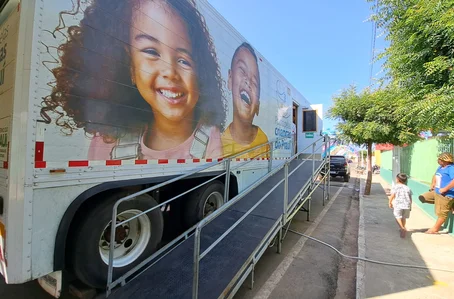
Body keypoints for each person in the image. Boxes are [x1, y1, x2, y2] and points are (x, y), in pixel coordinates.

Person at [41, 0, 226, 160]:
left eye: (183, 60)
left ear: (201, 75)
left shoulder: (213, 140)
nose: (170, 72)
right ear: (129, 65)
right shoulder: (108, 144)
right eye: (151, 52)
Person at [221, 43, 269, 159]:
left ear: (258, 104)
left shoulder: (264, 141)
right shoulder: (219, 143)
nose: (248, 82)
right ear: (230, 79)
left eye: (255, 82)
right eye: (242, 71)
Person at [425, 152, 454, 234]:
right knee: (423, 197)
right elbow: (435, 175)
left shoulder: (451, 168)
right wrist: (432, 184)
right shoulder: (440, 167)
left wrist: (445, 189)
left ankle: (435, 229)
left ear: (446, 161)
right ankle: (449, 205)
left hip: (446, 194)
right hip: (437, 192)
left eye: (440, 159)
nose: (438, 160)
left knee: (442, 213)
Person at [388, 173, 413, 238]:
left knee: (397, 216)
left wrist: (390, 202)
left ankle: (402, 228)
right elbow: (410, 198)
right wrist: (410, 206)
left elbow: (392, 195)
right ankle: (403, 227)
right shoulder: (408, 188)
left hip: (398, 205)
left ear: (398, 179)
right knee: (404, 217)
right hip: (407, 205)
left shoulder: (395, 187)